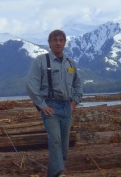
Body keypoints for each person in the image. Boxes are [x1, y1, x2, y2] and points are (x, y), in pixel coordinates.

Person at [26, 29, 83, 177]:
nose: (58, 43)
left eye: (61, 40)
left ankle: (54, 173)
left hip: (66, 107)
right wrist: (42, 105)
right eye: (55, 40)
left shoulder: (70, 63)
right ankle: (60, 172)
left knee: (64, 144)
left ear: (64, 43)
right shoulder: (41, 61)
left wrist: (74, 102)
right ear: (49, 43)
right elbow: (31, 84)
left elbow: (78, 84)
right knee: (55, 138)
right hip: (50, 106)